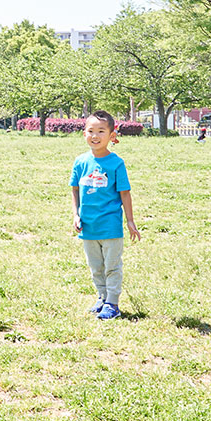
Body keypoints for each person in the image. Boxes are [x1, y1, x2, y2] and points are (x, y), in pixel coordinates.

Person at [70, 111, 141, 321]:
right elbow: (75, 189)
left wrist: (130, 221)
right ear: (84, 134)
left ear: (112, 135)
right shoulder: (80, 162)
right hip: (88, 226)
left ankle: (113, 303)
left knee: (112, 266)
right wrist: (75, 214)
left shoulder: (116, 163)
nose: (95, 135)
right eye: (91, 131)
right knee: (96, 267)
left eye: (101, 131)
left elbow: (125, 193)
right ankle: (101, 297)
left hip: (110, 225)